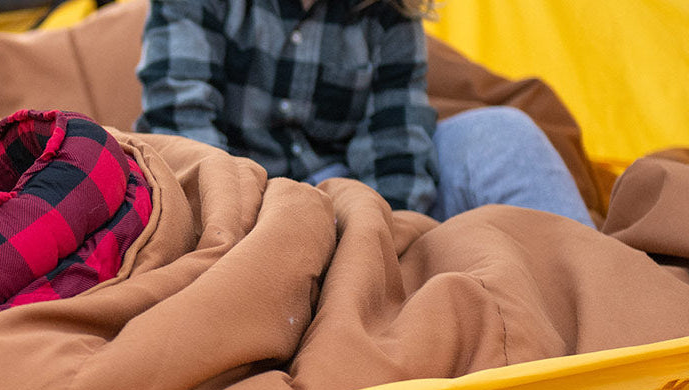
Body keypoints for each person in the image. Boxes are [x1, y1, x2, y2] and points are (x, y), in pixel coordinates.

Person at [134, 0, 595, 227]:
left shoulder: (389, 10)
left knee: (505, 133)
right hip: (242, 200)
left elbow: (395, 140)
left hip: (352, 194)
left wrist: (382, 240)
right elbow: (183, 126)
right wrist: (248, 230)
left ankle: (600, 303)